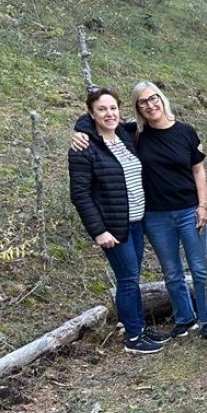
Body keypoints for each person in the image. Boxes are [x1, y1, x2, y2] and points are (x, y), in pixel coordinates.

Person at [71, 81, 207, 339]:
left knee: (199, 267)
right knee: (171, 271)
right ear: (138, 108)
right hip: (155, 215)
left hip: (189, 210)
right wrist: (78, 129)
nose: (150, 105)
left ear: (162, 99)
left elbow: (199, 170)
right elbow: (97, 122)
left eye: (154, 99)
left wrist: (203, 205)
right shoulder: (134, 135)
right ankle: (185, 318)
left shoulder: (185, 132)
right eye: (143, 102)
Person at [68, 88, 166, 355]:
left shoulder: (123, 134)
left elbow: (153, 122)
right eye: (102, 109)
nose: (109, 114)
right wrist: (99, 231)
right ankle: (133, 337)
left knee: (132, 278)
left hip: (136, 221)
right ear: (91, 113)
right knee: (127, 280)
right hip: (113, 226)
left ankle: (139, 327)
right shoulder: (84, 147)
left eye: (113, 108)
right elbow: (79, 194)